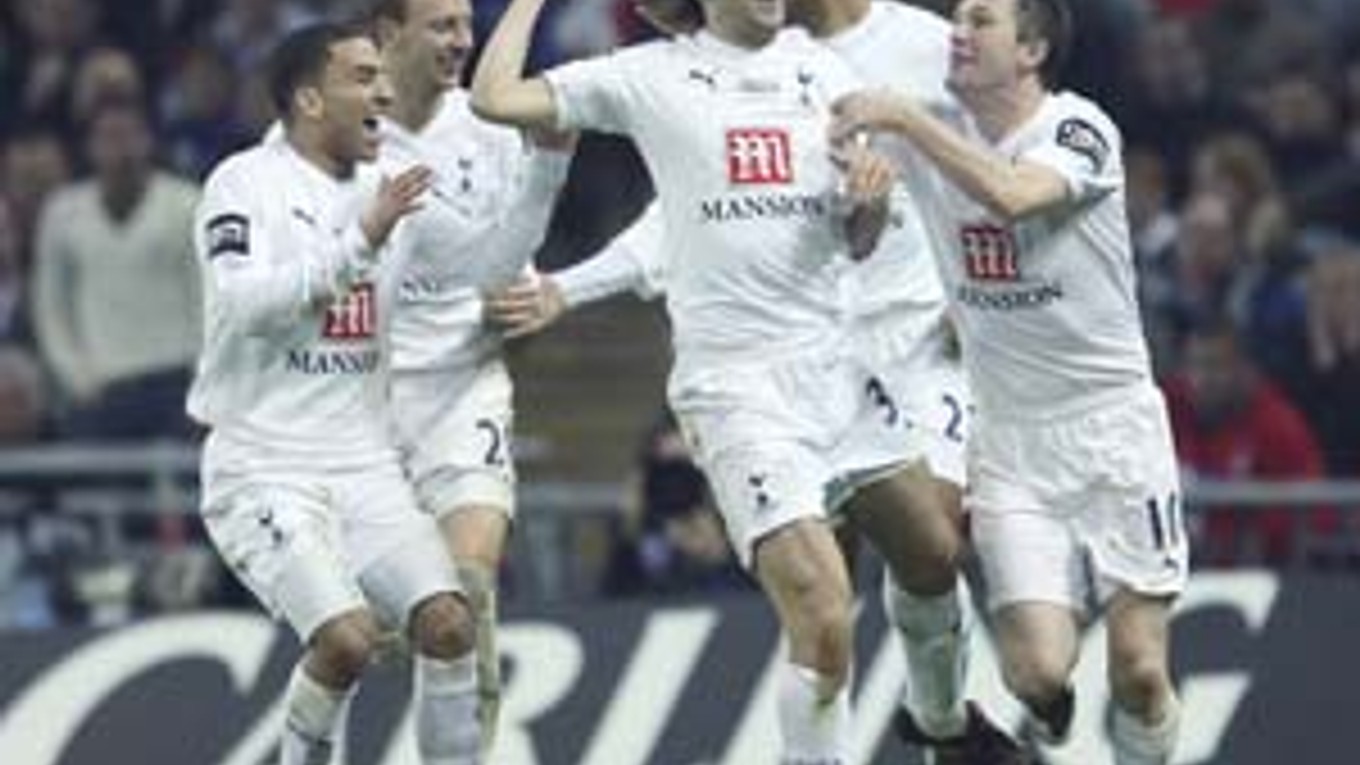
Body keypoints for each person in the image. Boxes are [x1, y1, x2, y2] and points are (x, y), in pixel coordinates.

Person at [483, 0, 1027, 760]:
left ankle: (943, 727)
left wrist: (866, 202)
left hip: (840, 369)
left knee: (934, 550)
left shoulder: (821, 71)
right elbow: (496, 98)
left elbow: (858, 237)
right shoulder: (650, 76)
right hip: (739, 390)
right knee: (824, 612)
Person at [831, 0, 1188, 762]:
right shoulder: (928, 133)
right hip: (1013, 442)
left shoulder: (1077, 129)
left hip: (1113, 426)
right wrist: (862, 206)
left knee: (1139, 665)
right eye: (956, 18)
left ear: (1030, 51)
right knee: (1034, 674)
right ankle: (1027, 726)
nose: (958, 32)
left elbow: (1015, 195)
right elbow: (860, 240)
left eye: (981, 20)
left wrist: (906, 122)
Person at [188, 22, 481, 764]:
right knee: (347, 641)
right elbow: (247, 307)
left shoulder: (397, 188)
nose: (383, 91)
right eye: (361, 77)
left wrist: (544, 171)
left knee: (449, 624)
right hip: (263, 461)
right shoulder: (243, 183)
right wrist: (360, 243)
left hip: (364, 463)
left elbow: (483, 263)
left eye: (382, 74)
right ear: (310, 99)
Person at [368, 0, 575, 753]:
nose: (462, 41)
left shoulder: (489, 127)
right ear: (388, 33)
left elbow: (509, 254)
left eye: (466, 24)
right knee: (359, 633)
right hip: (362, 402)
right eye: (442, 26)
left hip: (463, 385)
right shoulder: (344, 133)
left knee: (467, 588)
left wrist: (529, 302)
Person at [31, 98, 201, 440]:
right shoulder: (63, 213)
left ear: (148, 141)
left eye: (130, 135)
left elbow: (209, 297)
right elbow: (51, 309)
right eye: (109, 137)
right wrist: (77, 378)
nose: (121, 148)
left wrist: (203, 379)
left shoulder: (186, 203)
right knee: (98, 491)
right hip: (100, 384)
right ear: (90, 147)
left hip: (175, 377)